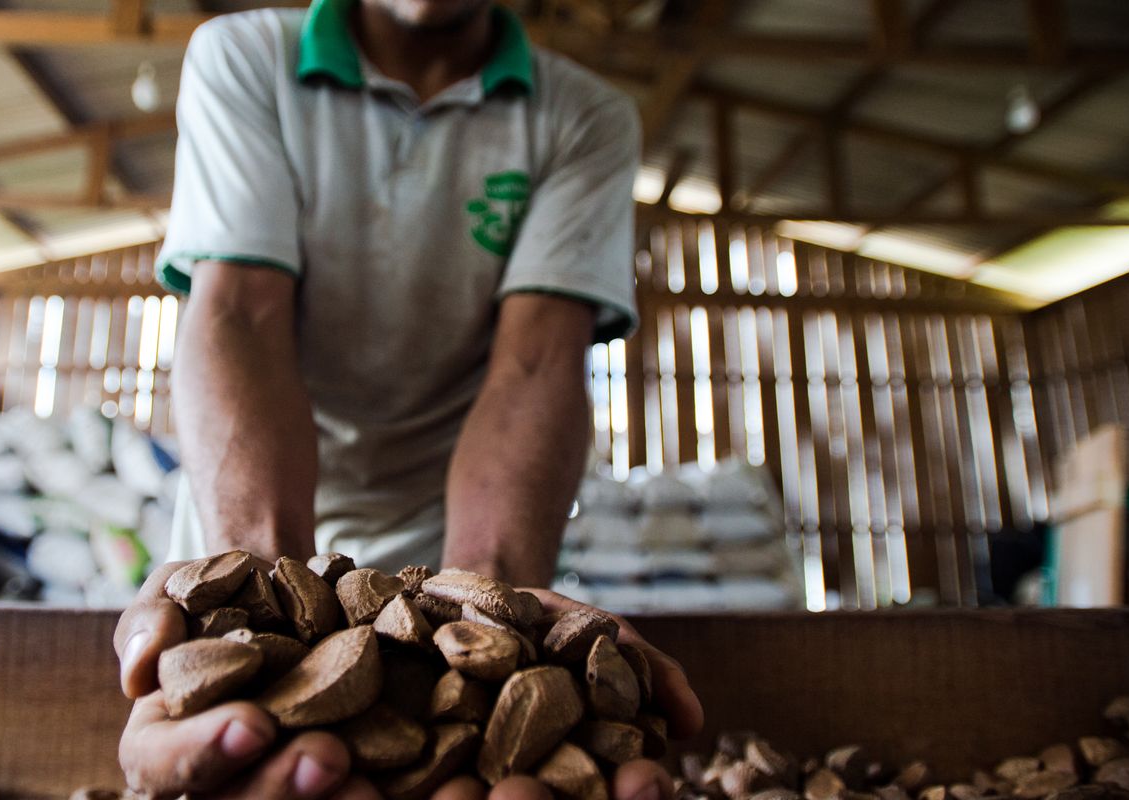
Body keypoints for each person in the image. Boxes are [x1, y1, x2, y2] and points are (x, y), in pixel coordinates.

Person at [114, 0, 703, 794]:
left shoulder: (582, 115)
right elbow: (241, 314)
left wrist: (490, 604)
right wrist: (262, 600)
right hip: (249, 509)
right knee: (257, 761)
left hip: (455, 527)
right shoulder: (248, 55)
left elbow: (533, 367)